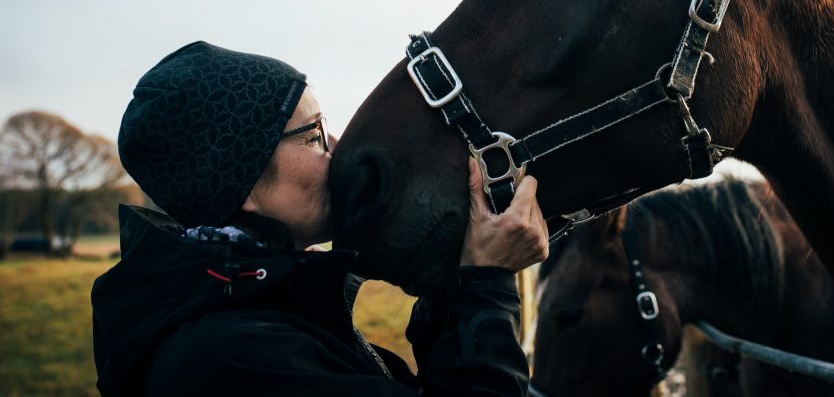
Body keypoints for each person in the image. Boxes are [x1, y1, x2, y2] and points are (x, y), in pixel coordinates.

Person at [91, 41, 548, 396]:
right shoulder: (232, 360)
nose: (339, 146)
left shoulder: (260, 308)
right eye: (312, 136)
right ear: (241, 183)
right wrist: (487, 285)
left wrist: (454, 279)